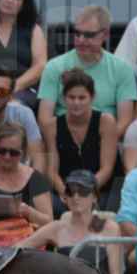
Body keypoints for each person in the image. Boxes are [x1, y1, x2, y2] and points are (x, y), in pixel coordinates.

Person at [36, 6, 137, 136]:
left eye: (89, 35)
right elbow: (44, 120)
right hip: (64, 140)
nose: (81, 40)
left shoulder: (122, 69)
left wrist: (102, 143)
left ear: (105, 34)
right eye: (77, 33)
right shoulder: (54, 67)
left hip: (106, 140)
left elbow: (125, 122)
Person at [20, 169, 124, 274]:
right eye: (70, 192)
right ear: (65, 197)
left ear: (94, 197)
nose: (76, 197)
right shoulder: (56, 228)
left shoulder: (110, 228)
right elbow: (17, 249)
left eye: (83, 191)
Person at [44, 69, 118, 198]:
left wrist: (86, 193)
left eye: (82, 98)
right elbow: (52, 171)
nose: (76, 103)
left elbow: (106, 169)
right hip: (66, 191)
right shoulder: (51, 126)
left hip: (101, 191)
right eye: (71, 97)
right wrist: (67, 194)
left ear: (92, 97)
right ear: (63, 98)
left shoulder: (106, 122)